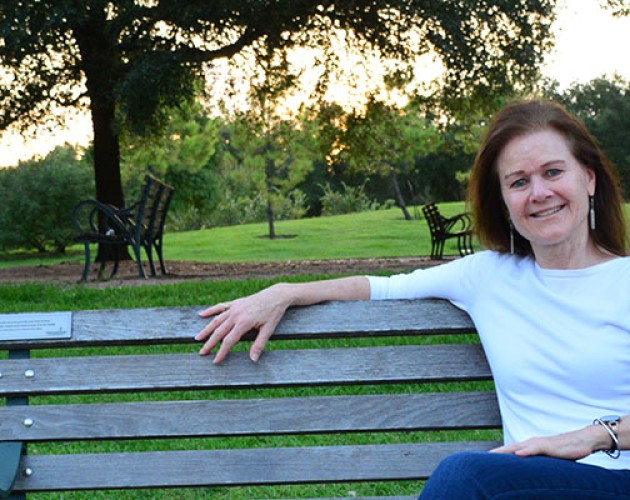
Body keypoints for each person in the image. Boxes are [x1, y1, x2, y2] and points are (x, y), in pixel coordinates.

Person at [195, 99, 630, 498]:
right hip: (529, 484)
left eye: (553, 172)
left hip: (614, 478)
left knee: (467, 477)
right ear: (504, 201)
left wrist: (594, 436)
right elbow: (382, 287)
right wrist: (285, 292)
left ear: (588, 179)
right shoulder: (487, 276)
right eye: (519, 182)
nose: (539, 193)